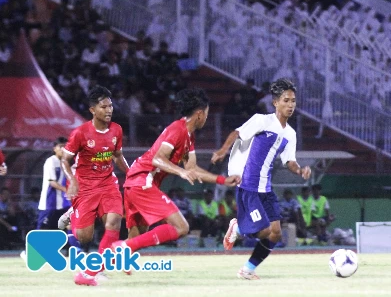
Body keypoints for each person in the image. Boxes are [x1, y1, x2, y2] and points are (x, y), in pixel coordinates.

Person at [112, 88, 239, 255]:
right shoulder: (177, 130)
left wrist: (222, 180)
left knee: (135, 240)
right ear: (200, 114)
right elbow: (157, 159)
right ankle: (123, 247)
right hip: (143, 182)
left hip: (135, 183)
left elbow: (191, 169)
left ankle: (89, 272)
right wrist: (181, 172)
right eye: (207, 114)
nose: (207, 118)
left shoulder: (188, 136)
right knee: (181, 227)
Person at [211, 78, 312, 280]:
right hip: (248, 186)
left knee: (276, 234)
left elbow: (289, 161)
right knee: (265, 230)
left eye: (293, 100)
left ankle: (247, 269)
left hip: (266, 188)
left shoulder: (290, 134)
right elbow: (237, 133)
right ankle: (237, 227)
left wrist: (300, 170)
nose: (290, 104)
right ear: (275, 102)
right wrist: (222, 151)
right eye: (286, 100)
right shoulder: (262, 121)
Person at [60, 86, 130, 286]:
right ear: (92, 110)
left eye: (110, 106)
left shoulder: (116, 129)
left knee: (114, 222)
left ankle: (93, 271)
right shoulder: (80, 133)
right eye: (103, 107)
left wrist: (133, 174)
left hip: (108, 184)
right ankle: (74, 216)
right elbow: (65, 160)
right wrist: (72, 180)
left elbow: (117, 156)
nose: (109, 110)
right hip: (85, 187)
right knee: (84, 238)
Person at [37, 137, 70, 230]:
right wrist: (67, 190)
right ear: (54, 148)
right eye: (61, 147)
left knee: (61, 229)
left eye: (66, 147)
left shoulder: (66, 162)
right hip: (49, 202)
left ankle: (68, 244)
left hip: (62, 203)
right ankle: (36, 244)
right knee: (43, 229)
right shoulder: (51, 161)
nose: (63, 149)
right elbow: (52, 182)